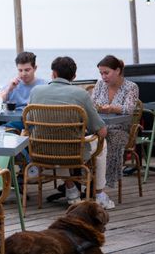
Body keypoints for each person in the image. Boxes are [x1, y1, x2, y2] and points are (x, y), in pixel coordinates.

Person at [29, 56, 114, 209]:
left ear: (53, 73)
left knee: (56, 137)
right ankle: (99, 194)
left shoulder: (36, 91)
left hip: (40, 150)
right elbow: (101, 131)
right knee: (103, 142)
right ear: (74, 77)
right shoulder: (80, 94)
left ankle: (71, 190)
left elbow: (28, 119)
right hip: (72, 152)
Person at [91, 55, 139, 191]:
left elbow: (129, 109)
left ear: (117, 71)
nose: (103, 76)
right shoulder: (100, 84)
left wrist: (112, 108)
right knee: (83, 139)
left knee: (111, 140)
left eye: (106, 73)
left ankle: (103, 184)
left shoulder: (131, 87)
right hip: (100, 126)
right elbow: (92, 104)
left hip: (121, 129)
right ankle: (85, 179)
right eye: (101, 73)